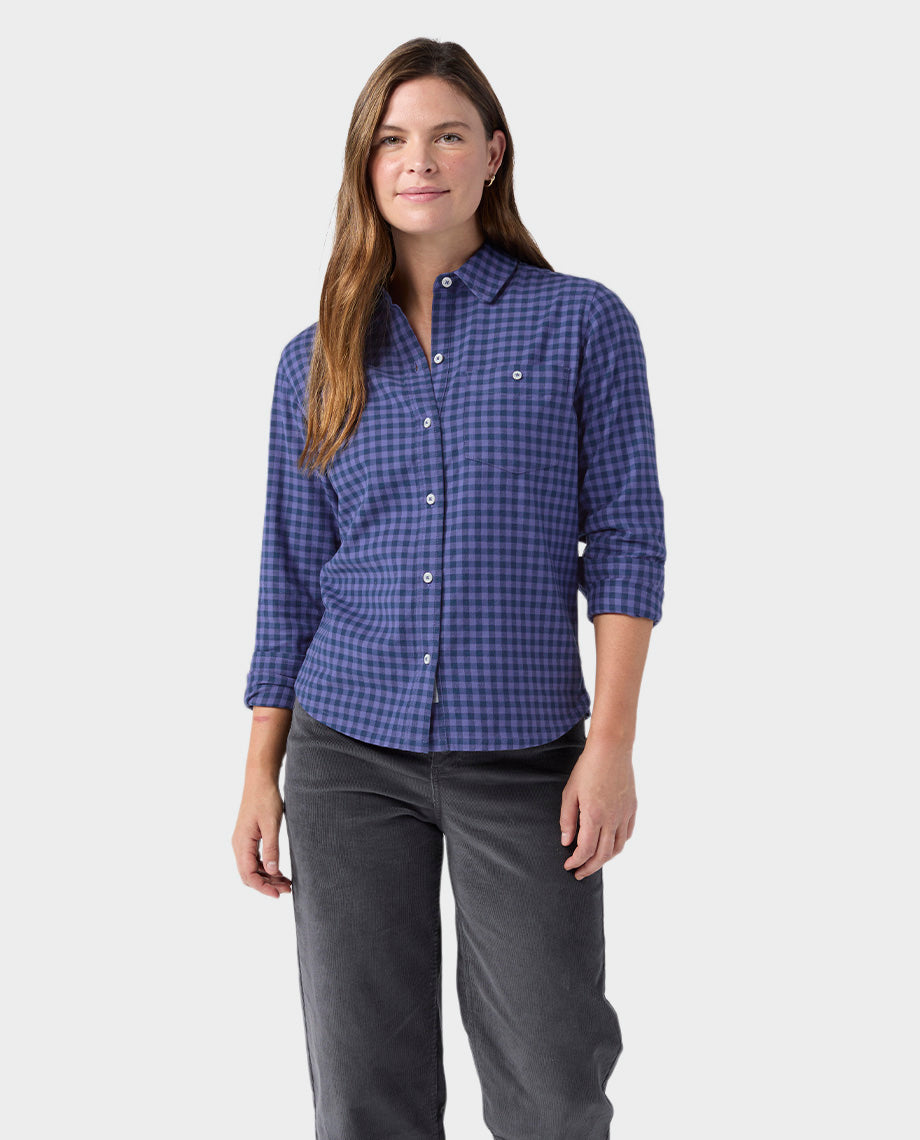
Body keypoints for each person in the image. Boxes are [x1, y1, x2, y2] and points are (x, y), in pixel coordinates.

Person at [232, 36, 666, 1140]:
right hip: (344, 755)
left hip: (525, 760)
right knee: (363, 1092)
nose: (417, 160)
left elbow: (625, 541)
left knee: (555, 1086)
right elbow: (290, 580)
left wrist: (611, 744)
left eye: (446, 136)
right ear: (364, 164)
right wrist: (257, 774)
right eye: (391, 140)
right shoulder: (314, 359)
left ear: (493, 155)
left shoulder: (582, 324)